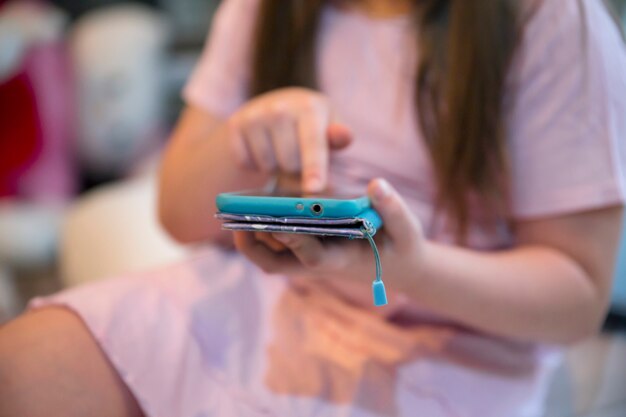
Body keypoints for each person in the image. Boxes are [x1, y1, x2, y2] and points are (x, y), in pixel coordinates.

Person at [1, 0, 625, 416]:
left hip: (454, 347)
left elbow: (576, 298)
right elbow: (180, 214)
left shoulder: (553, 22)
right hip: (271, 299)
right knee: (29, 364)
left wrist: (408, 268)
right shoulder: (270, 9)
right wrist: (244, 137)